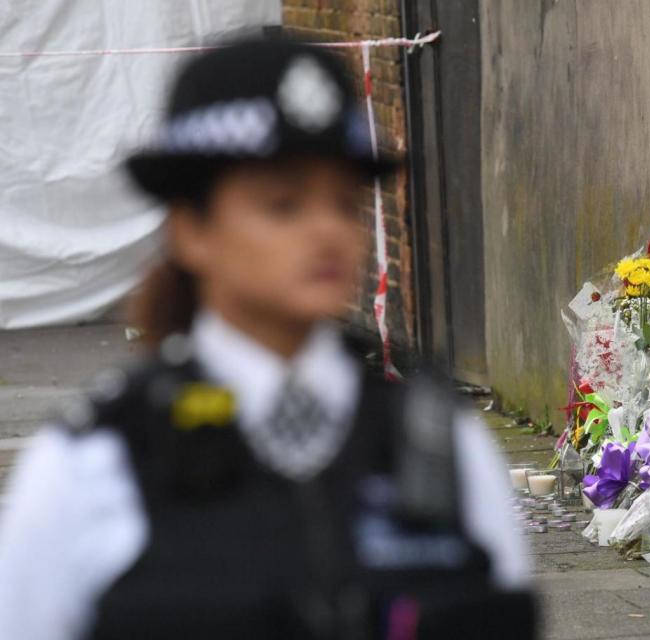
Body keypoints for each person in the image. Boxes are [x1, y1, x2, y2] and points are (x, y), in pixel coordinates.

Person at [0, 38, 536, 639]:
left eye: (344, 203)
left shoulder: (438, 444)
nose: (328, 231)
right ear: (191, 231)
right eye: (283, 205)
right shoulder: (97, 464)